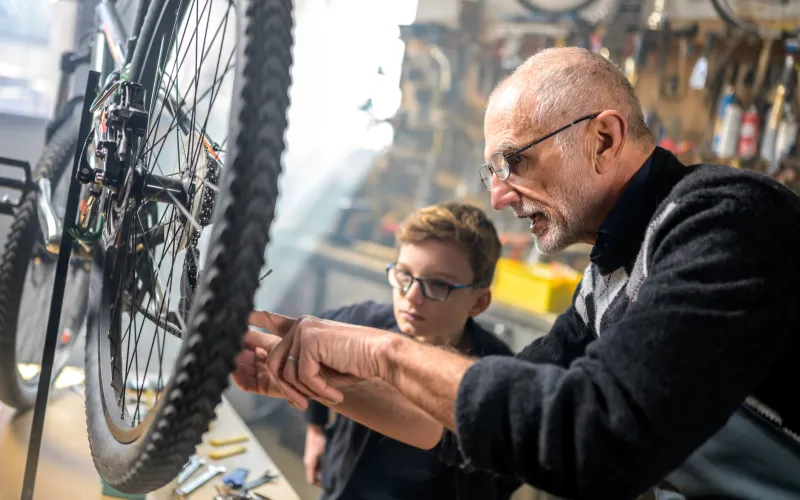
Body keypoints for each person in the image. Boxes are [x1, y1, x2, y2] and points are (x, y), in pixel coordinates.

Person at [235, 47, 800, 500]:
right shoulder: (606, 279)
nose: (500, 196)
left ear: (603, 138)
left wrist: (383, 353)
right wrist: (316, 379)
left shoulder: (724, 219)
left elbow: (598, 438)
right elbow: (469, 422)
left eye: (514, 162)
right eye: (493, 173)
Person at [296, 202, 520, 500]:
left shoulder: (496, 368)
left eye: (438, 283)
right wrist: (316, 430)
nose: (411, 297)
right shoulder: (363, 325)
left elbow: (511, 464)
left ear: (478, 302)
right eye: (404, 275)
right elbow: (312, 348)